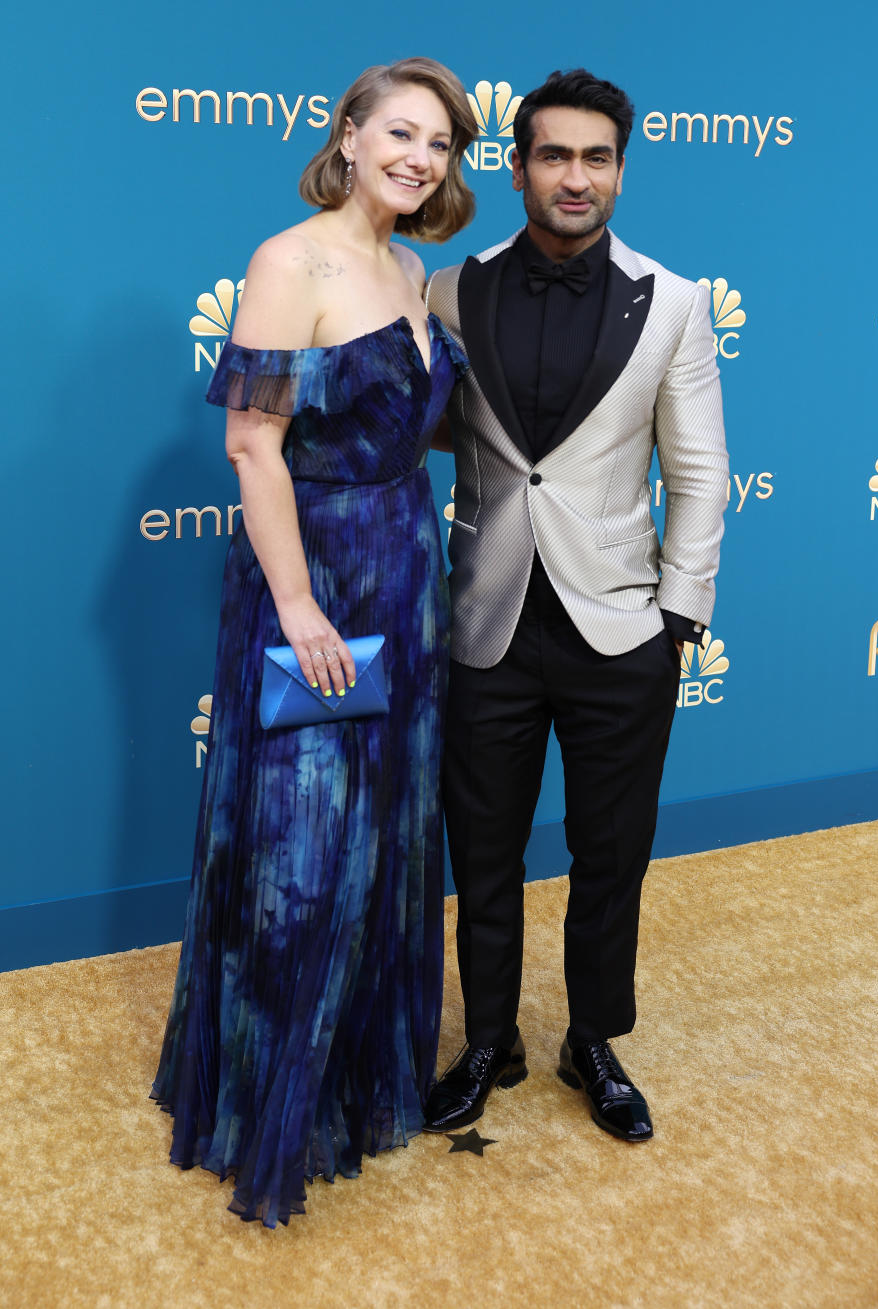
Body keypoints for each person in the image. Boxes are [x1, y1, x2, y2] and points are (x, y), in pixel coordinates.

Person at [151, 57, 476, 1227]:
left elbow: (408, 427)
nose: (419, 158)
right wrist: (296, 606)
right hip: (318, 579)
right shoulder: (290, 262)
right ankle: (272, 1110)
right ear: (347, 134)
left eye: (439, 144)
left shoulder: (412, 263)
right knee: (303, 848)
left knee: (384, 841)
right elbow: (253, 447)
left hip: (408, 575)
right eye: (400, 133)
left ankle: (359, 1084)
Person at [423, 69, 728, 1143]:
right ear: (517, 167)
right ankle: (487, 1040)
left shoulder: (676, 303)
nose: (576, 176)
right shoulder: (451, 293)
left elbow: (700, 475)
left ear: (621, 171)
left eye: (597, 157)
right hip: (487, 623)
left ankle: (591, 1039)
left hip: (619, 627)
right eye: (554, 154)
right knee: (484, 848)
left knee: (612, 851)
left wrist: (678, 619)